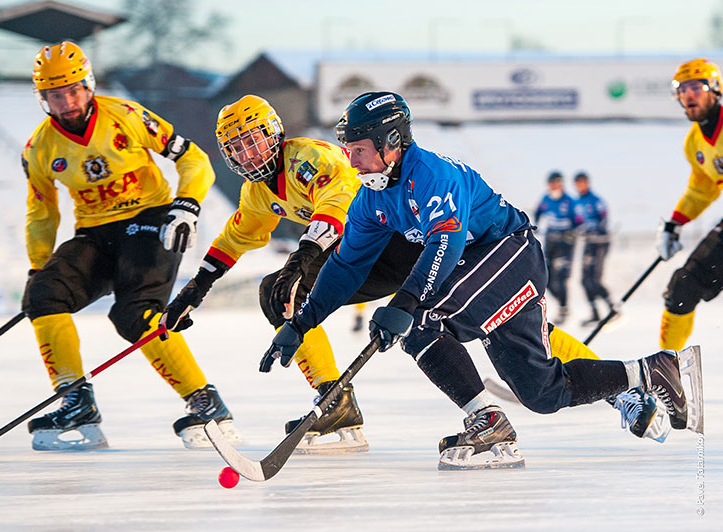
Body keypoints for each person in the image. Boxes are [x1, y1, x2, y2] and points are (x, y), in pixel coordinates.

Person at [259, 91, 701, 470]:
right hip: (481, 268)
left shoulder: (432, 176)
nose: (351, 160)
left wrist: (406, 302)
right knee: (544, 393)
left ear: (391, 142)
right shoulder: (370, 198)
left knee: (423, 320)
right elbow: (346, 267)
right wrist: (301, 323)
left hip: (511, 253)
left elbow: (444, 248)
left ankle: (487, 422)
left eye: (358, 149)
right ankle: (651, 371)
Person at [160, 95, 422, 453]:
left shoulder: (306, 159)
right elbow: (236, 236)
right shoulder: (256, 192)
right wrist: (196, 288)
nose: (249, 154)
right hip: (363, 258)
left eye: (254, 140)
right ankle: (335, 400)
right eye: (237, 148)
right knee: (278, 293)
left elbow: (341, 200)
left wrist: (300, 260)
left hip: (401, 244)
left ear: (275, 134)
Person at [21, 41, 240, 451]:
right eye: (54, 94)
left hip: (151, 220)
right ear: (42, 98)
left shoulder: (126, 116)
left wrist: (187, 205)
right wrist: (38, 268)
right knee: (43, 294)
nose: (66, 102)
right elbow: (42, 214)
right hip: (96, 233)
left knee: (135, 314)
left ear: (88, 85)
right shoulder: (38, 149)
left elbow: (195, 159)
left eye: (72, 90)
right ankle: (75, 400)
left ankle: (207, 404)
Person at [658, 58, 723, 353]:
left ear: (715, 89)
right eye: (682, 89)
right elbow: (702, 189)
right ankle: (665, 372)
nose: (689, 94)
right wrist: (674, 223)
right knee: (682, 286)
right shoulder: (695, 143)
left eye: (697, 86)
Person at [533, 171, 580, 325]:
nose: (554, 186)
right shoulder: (546, 198)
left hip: (565, 244)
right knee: (546, 277)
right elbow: (538, 212)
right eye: (552, 183)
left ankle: (564, 309)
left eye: (557, 183)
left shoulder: (569, 201)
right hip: (551, 241)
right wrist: (535, 226)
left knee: (561, 277)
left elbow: (579, 221)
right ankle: (562, 305)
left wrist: (573, 232)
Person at [573, 171, 614, 325]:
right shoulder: (577, 202)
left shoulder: (595, 200)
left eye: (582, 182)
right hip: (589, 243)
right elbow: (577, 223)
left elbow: (603, 218)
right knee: (584, 280)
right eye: (577, 183)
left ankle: (612, 309)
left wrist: (597, 230)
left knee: (595, 279)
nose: (580, 186)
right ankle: (595, 312)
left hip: (600, 243)